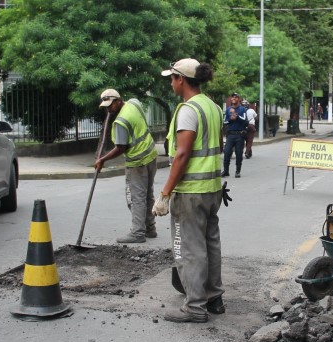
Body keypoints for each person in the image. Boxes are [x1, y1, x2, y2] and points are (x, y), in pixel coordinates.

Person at [155, 58, 228, 323]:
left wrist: (165, 193)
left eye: (171, 79)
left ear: (181, 80)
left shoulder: (188, 110)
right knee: (211, 244)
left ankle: (195, 307)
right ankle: (214, 298)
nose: (171, 83)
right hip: (212, 188)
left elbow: (182, 154)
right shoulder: (213, 107)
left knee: (190, 248)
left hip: (190, 191)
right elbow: (216, 144)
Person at [94, 89, 158, 243]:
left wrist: (102, 159)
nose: (109, 109)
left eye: (110, 105)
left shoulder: (121, 122)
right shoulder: (134, 103)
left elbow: (120, 147)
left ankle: (137, 232)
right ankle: (150, 228)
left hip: (137, 162)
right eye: (106, 107)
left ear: (118, 100)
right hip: (151, 155)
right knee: (148, 194)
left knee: (137, 198)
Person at [222, 92, 247, 178]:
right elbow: (225, 121)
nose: (234, 99)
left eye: (236, 97)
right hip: (230, 135)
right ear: (231, 99)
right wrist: (230, 119)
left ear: (238, 99)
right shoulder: (228, 110)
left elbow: (244, 120)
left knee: (239, 154)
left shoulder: (242, 109)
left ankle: (237, 171)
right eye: (233, 97)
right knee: (227, 152)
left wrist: (236, 115)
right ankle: (226, 171)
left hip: (239, 135)